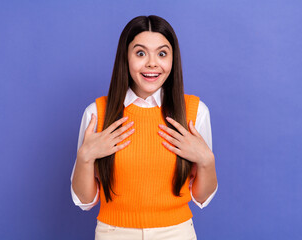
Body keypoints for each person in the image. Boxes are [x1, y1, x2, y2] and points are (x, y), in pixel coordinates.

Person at [70, 15, 218, 240]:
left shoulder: (195, 112)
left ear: (172, 59)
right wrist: (85, 158)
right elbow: (85, 200)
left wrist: (207, 161)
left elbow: (201, 197)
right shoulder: (96, 113)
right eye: (140, 53)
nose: (152, 63)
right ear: (125, 58)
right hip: (112, 233)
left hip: (177, 233)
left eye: (162, 53)